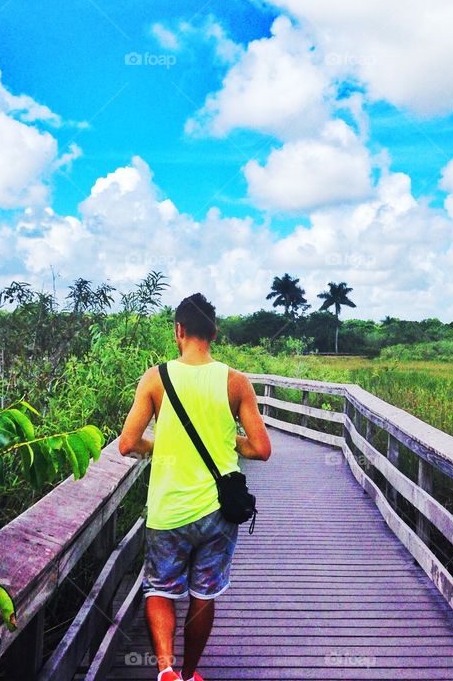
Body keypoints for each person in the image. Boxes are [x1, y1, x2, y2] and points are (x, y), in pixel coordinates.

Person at [118, 292, 272, 681]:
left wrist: (161, 444)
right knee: (203, 596)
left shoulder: (156, 378)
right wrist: (226, 438)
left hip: (167, 510)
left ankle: (166, 670)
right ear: (214, 333)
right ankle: (189, 675)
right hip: (218, 513)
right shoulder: (236, 382)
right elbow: (261, 448)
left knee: (160, 589)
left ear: (179, 331)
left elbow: (126, 443)